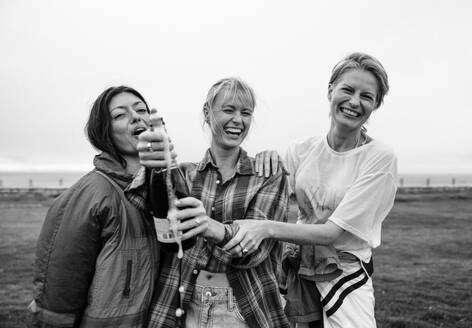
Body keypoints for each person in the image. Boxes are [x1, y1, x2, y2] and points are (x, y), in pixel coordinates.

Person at [223, 53, 398, 328]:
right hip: (297, 268)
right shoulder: (300, 149)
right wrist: (267, 158)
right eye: (347, 89)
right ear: (331, 90)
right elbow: (268, 191)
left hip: (345, 274)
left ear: (376, 104)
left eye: (366, 96)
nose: (354, 102)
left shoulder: (379, 157)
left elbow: (331, 232)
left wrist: (263, 228)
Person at [138, 77, 291, 328]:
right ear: (207, 113)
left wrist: (206, 225)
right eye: (228, 110)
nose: (238, 120)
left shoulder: (268, 175)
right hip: (181, 301)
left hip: (240, 307)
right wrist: (152, 167)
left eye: (246, 113)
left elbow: (254, 252)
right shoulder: (185, 174)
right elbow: (142, 205)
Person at [28, 86, 161, 327]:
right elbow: (58, 297)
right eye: (120, 115)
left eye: (141, 110)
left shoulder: (162, 188)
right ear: (104, 132)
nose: (136, 116)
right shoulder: (92, 193)